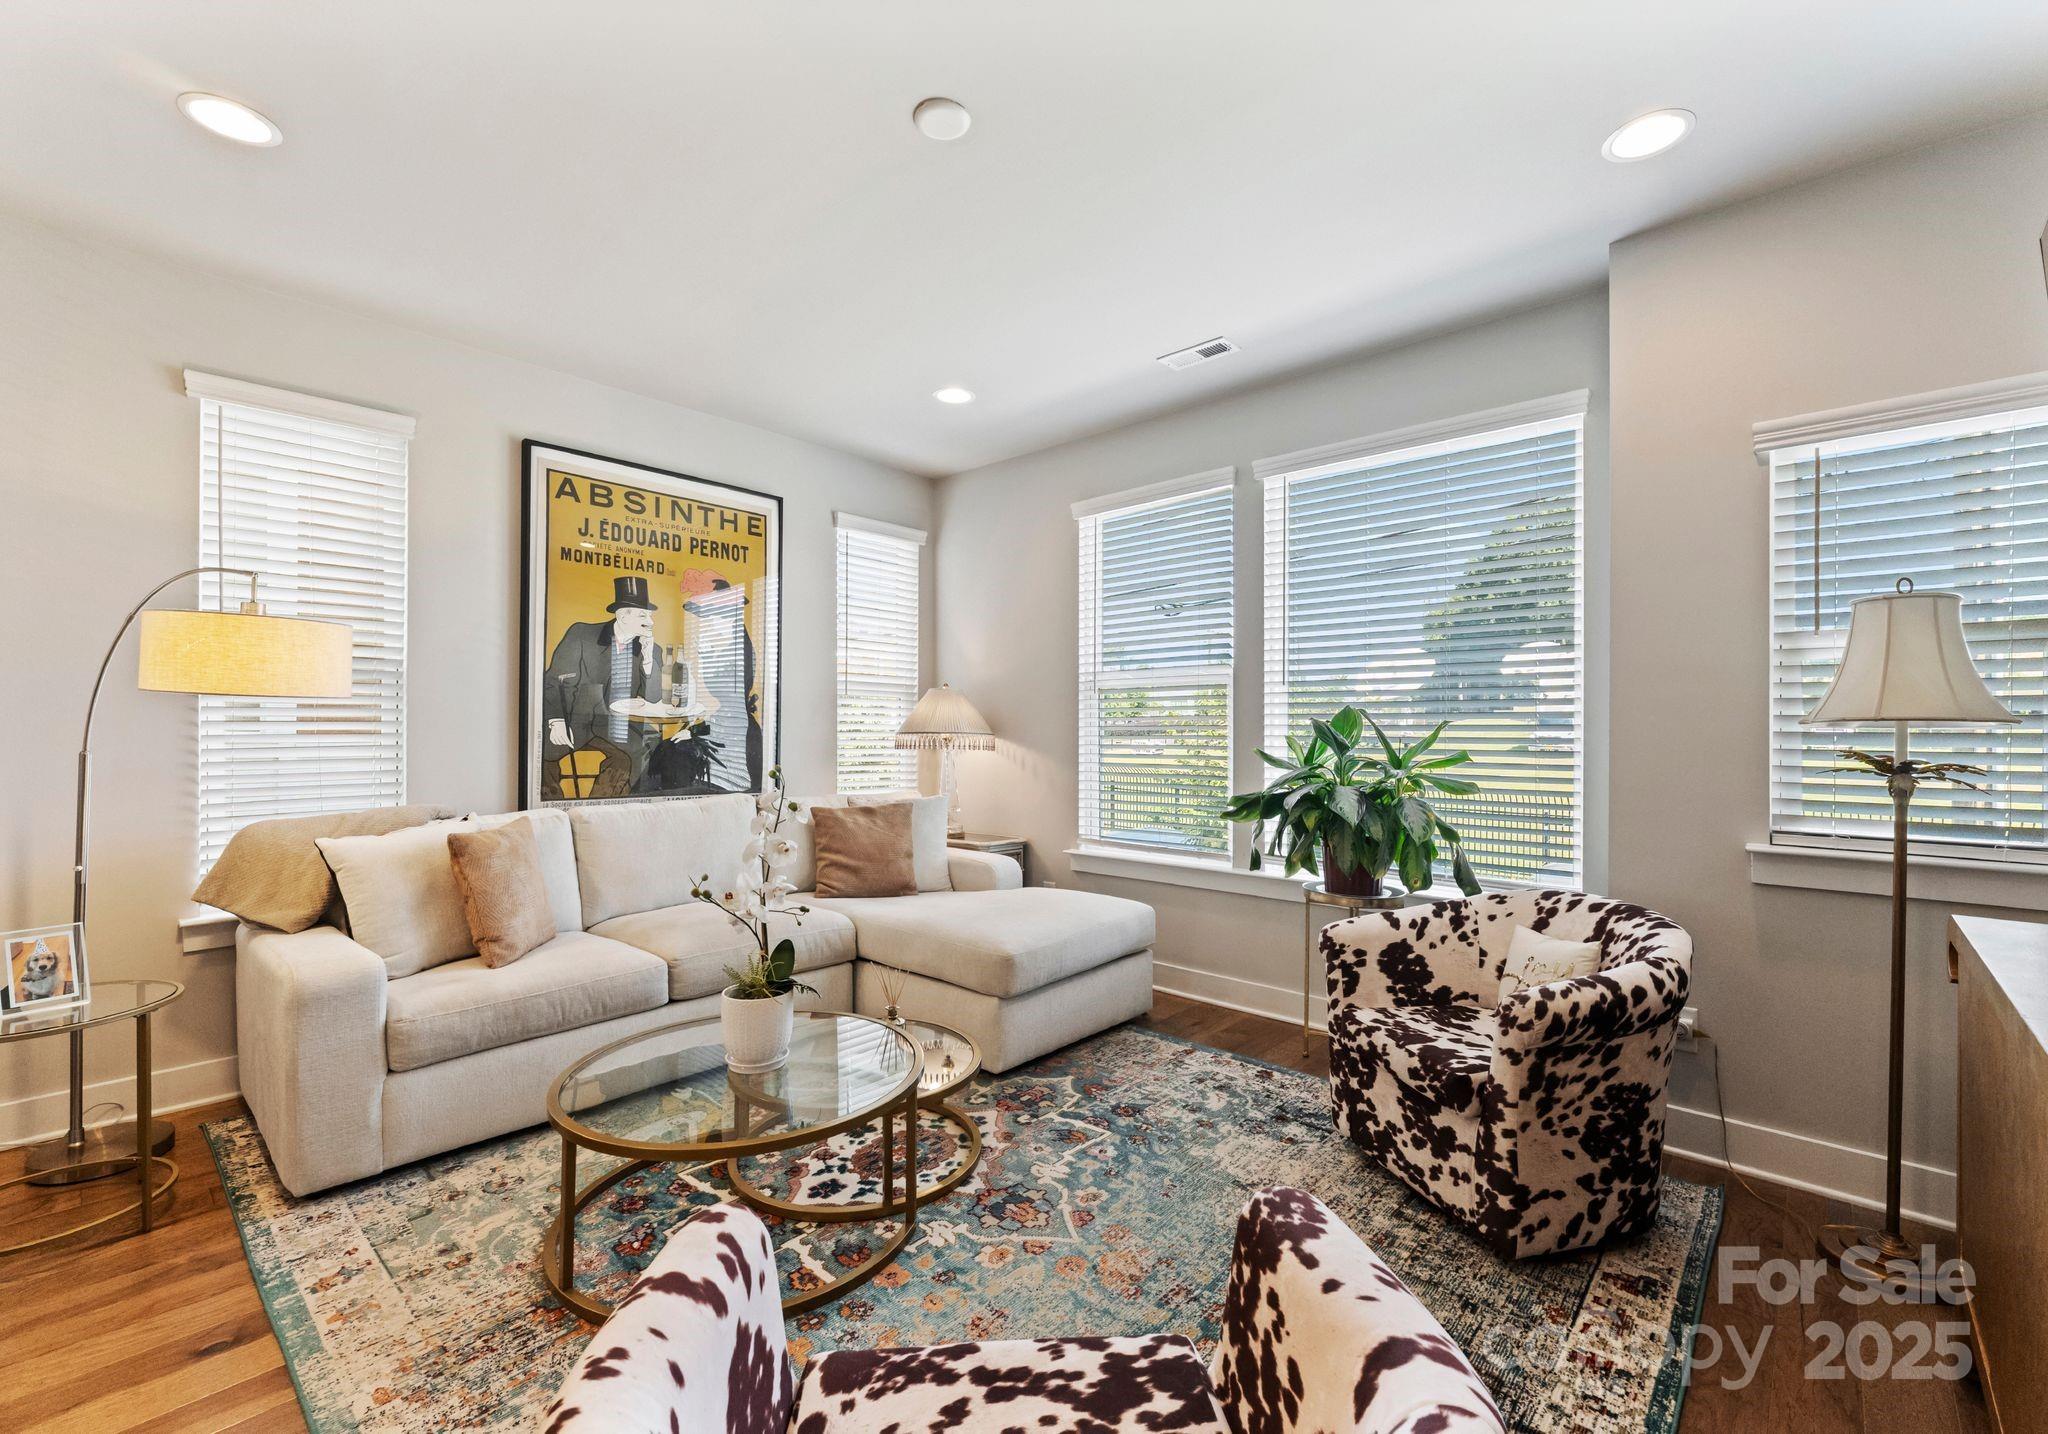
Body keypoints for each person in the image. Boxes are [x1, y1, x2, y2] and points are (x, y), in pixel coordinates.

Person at [540, 576, 666, 799]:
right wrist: (556, 721)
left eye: (650, 615)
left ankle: (601, 809)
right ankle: (553, 810)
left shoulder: (652, 650)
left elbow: (653, 699)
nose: (651, 622)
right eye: (643, 615)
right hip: (574, 720)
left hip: (619, 726)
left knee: (646, 751)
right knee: (538, 753)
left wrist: (647, 660)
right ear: (622, 615)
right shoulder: (581, 635)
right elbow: (552, 680)